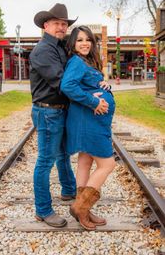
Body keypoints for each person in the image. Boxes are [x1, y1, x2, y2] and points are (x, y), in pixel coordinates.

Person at [60, 25, 116, 231]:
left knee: (85, 162)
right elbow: (68, 86)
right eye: (79, 40)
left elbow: (86, 84)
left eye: (88, 40)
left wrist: (104, 84)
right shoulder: (76, 61)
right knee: (107, 165)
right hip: (88, 121)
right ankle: (80, 206)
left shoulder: (86, 62)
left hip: (89, 121)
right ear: (73, 44)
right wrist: (93, 101)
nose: (84, 43)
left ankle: (83, 207)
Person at [29, 3, 78, 228]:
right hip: (48, 110)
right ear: (46, 25)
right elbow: (61, 82)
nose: (61, 27)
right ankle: (43, 210)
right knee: (46, 161)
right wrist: (90, 97)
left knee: (62, 155)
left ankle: (68, 190)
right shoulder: (43, 50)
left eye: (64, 24)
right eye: (57, 23)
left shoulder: (59, 47)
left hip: (58, 110)